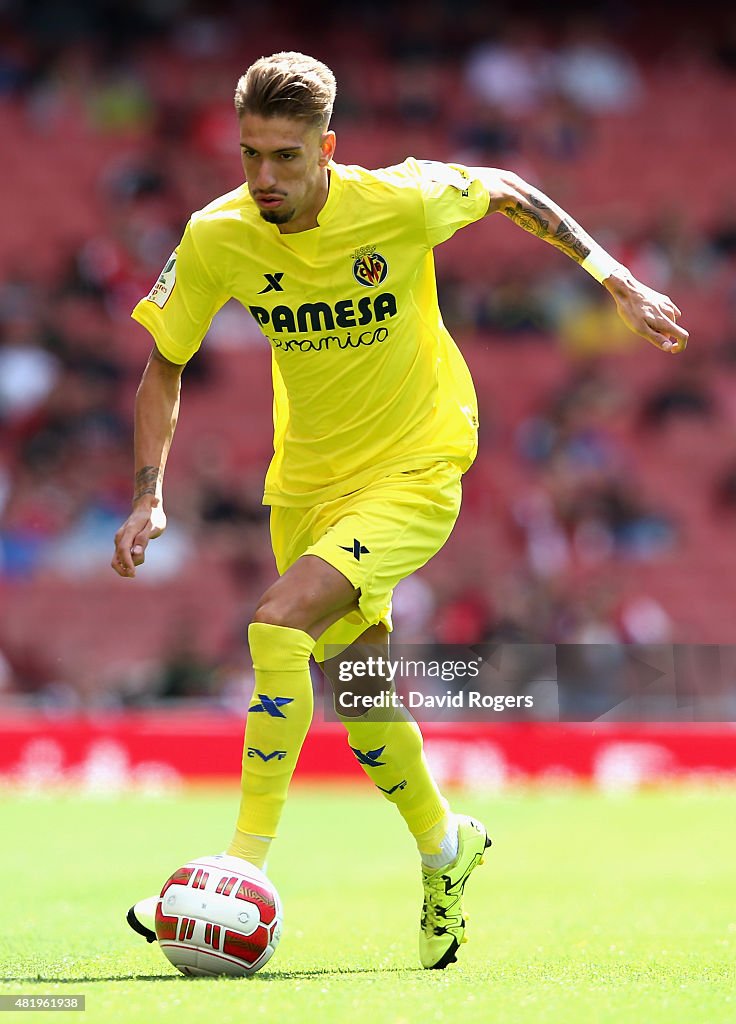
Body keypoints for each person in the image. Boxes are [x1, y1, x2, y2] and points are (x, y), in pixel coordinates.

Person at [112, 51, 688, 970]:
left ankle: (235, 870)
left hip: (417, 467)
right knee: (364, 699)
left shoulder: (400, 201)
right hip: (306, 484)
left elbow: (504, 188)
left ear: (328, 150)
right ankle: (447, 846)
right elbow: (165, 364)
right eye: (252, 154)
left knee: (277, 621)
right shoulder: (218, 234)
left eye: (287, 158)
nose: (265, 178)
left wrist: (612, 275)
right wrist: (149, 495)